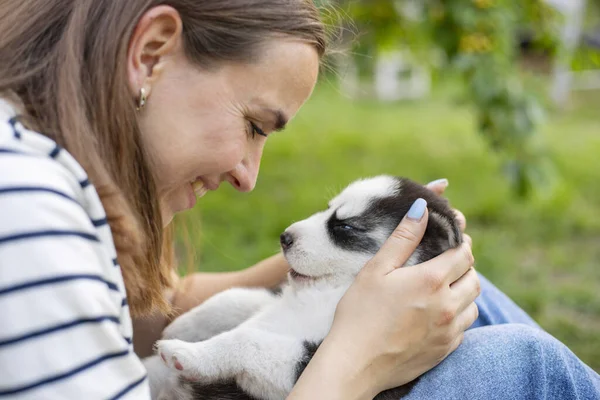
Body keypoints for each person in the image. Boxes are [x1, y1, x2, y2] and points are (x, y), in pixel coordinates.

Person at [0, 1, 598, 399]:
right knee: (522, 361)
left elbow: (126, 310)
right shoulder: (27, 207)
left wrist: (355, 268)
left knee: (449, 293)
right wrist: (358, 358)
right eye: (255, 126)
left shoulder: (38, 173)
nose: (248, 175)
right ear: (151, 52)